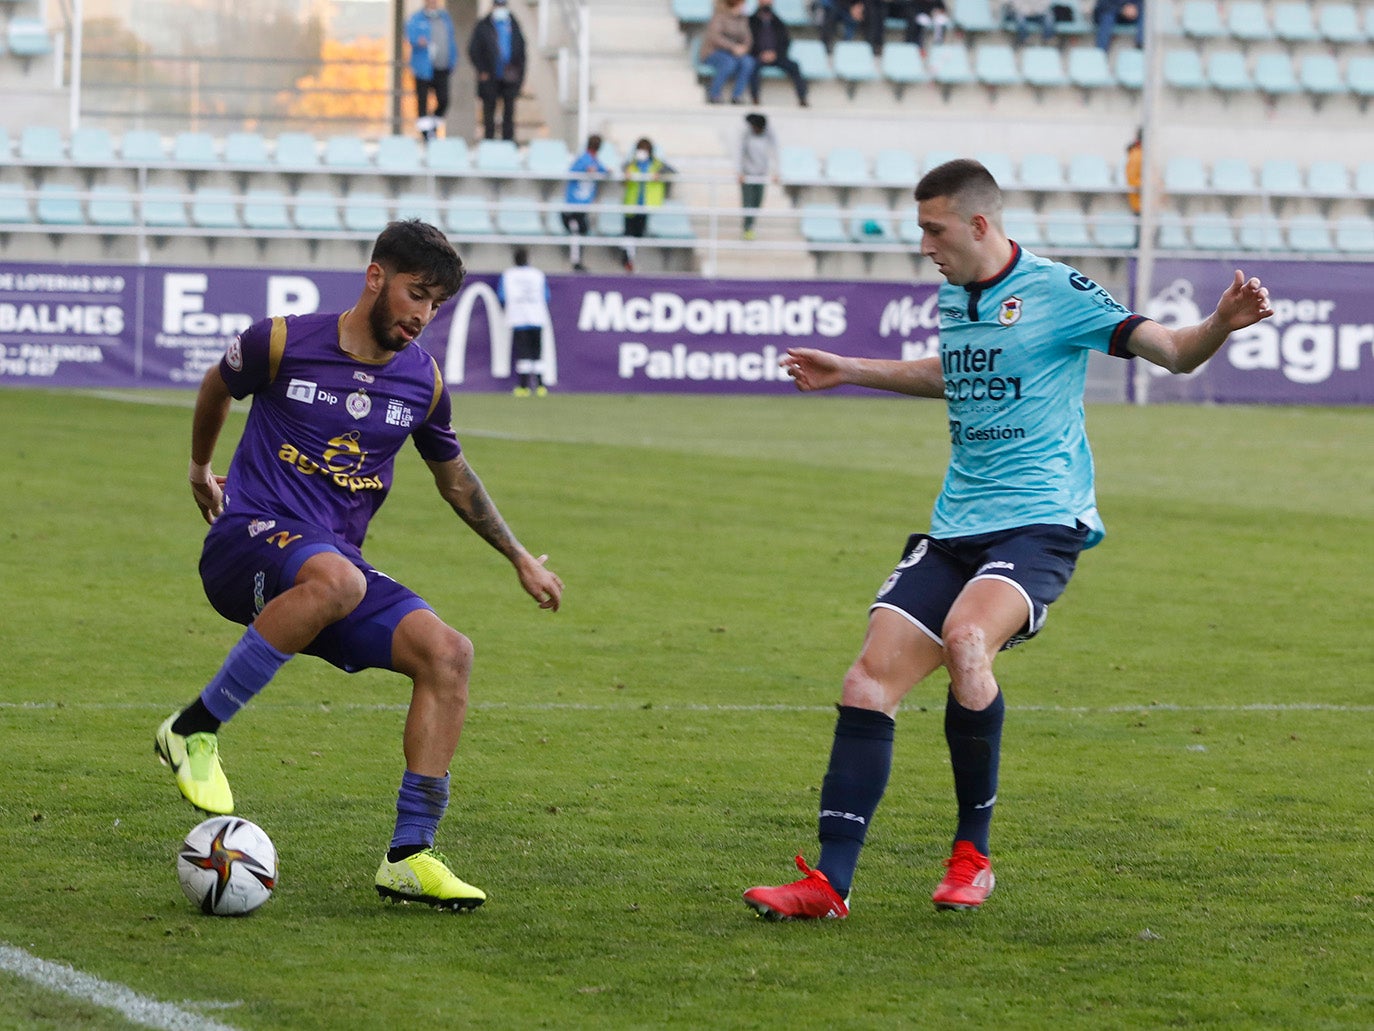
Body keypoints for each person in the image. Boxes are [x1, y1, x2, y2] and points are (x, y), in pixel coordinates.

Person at [742, 158, 1273, 921]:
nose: (925, 244)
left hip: (1040, 522)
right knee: (866, 682)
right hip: (957, 523)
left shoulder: (1059, 291)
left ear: (979, 223)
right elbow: (954, 375)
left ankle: (972, 856)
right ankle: (828, 885)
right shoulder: (954, 296)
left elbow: (1174, 353)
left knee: (967, 638)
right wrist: (849, 369)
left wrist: (1220, 322)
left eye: (934, 229)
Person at [155, 219, 565, 912]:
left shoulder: (421, 381)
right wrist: (200, 468)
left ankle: (410, 854)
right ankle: (194, 726)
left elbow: (455, 477)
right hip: (246, 541)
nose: (422, 315)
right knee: (337, 579)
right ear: (377, 276)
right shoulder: (281, 340)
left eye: (436, 304)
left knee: (448, 652)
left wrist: (519, 555)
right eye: (416, 293)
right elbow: (216, 387)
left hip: (330, 571)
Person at [468, 0, 527, 141]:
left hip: (510, 76)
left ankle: (508, 141)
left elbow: (521, 52)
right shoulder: (483, 26)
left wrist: (520, 74)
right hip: (490, 76)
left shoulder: (514, 25)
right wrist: (482, 70)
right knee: (489, 111)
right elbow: (474, 50)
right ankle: (489, 140)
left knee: (509, 112)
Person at [498, 247, 551, 397]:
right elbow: (546, 296)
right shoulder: (538, 274)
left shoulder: (508, 275)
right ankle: (541, 386)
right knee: (537, 353)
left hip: (518, 317)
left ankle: (523, 387)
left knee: (523, 353)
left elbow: (502, 296)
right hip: (537, 316)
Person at [406, 0, 459, 141]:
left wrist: (452, 61)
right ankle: (426, 136)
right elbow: (410, 36)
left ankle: (433, 127)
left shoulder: (444, 18)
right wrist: (419, 41)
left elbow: (451, 41)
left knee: (444, 100)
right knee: (422, 102)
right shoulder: (417, 18)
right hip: (423, 69)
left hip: (441, 68)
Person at [619, 138, 675, 273]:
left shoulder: (657, 164)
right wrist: (625, 175)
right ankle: (627, 261)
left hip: (647, 205)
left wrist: (659, 174)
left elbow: (672, 171)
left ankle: (629, 260)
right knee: (628, 232)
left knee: (638, 234)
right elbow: (621, 173)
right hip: (631, 203)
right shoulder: (631, 164)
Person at [561, 134, 609, 272]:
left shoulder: (594, 160)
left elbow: (602, 170)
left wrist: (606, 171)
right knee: (577, 231)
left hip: (582, 206)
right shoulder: (583, 159)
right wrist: (585, 170)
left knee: (582, 231)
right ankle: (576, 262)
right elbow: (572, 172)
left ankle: (577, 261)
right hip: (573, 205)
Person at [748, 0, 809, 107]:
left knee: (794, 66)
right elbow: (748, 41)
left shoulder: (778, 22)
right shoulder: (751, 21)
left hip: (776, 56)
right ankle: (755, 98)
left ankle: (802, 98)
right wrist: (759, 54)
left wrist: (775, 54)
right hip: (758, 56)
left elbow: (786, 42)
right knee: (752, 66)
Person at [702, 0, 756, 105]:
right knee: (728, 62)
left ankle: (737, 96)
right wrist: (733, 47)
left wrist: (743, 48)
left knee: (748, 62)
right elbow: (715, 37)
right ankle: (714, 94)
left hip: (735, 53)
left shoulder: (742, 19)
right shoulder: (719, 17)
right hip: (715, 52)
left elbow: (748, 38)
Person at [737, 113, 778, 241]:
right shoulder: (746, 135)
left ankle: (751, 224)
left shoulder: (768, 136)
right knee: (748, 202)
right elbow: (739, 153)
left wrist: (776, 172)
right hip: (748, 174)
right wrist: (739, 172)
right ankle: (747, 227)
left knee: (757, 202)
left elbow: (775, 152)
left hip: (761, 174)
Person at [821, 0, 885, 54]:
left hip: (863, 6)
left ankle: (875, 47)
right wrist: (850, 8)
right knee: (830, 13)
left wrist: (860, 6)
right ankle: (828, 49)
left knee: (874, 12)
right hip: (842, 7)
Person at [1125, 127, 1143, 215]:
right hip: (1140, 205)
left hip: (1149, 205)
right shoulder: (1136, 155)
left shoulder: (1143, 154)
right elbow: (1132, 180)